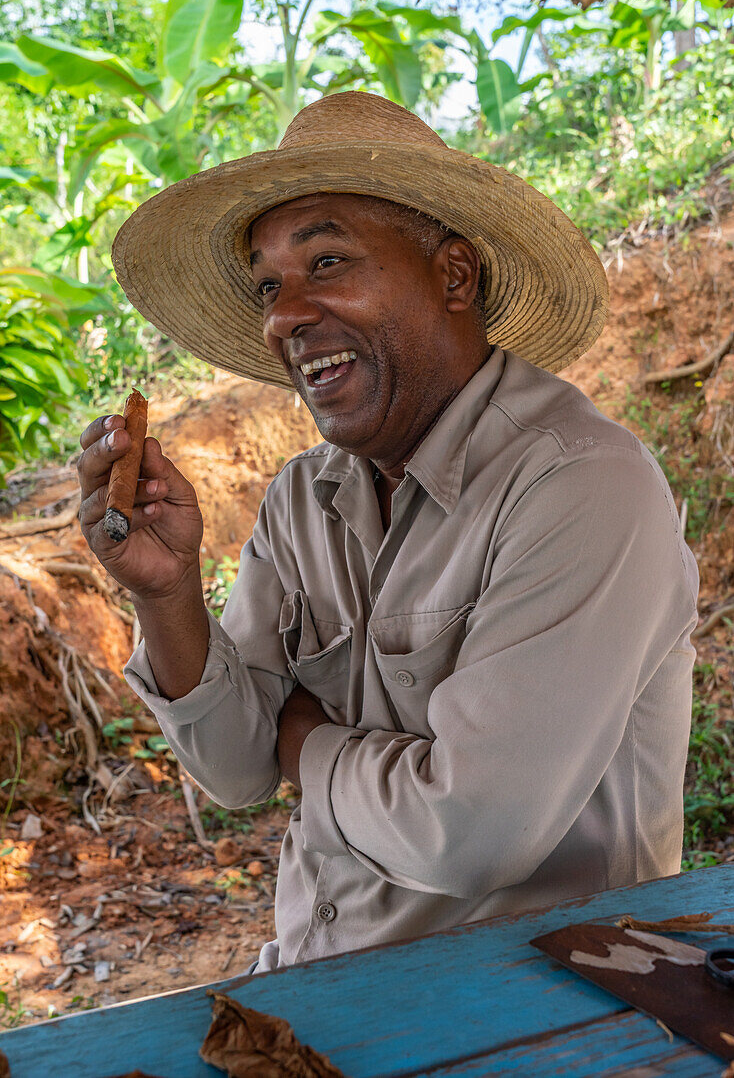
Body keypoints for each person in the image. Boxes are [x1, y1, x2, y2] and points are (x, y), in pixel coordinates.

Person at [78, 92, 698, 974]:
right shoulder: (302, 499)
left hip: (534, 1017)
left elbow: (471, 834)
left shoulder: (580, 484)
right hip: (315, 977)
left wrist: (303, 740)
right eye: (268, 285)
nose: (282, 317)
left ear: (454, 276)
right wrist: (166, 591)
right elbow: (234, 771)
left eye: (326, 261)